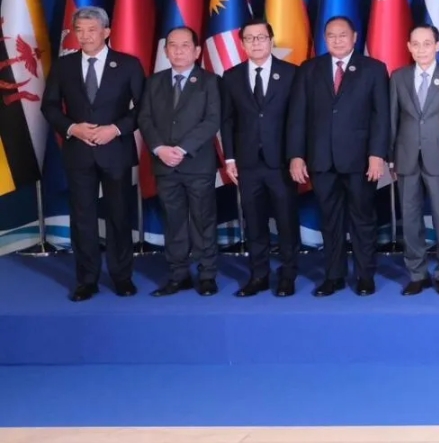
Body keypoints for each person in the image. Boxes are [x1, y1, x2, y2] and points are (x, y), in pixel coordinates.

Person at [41, 6, 145, 302]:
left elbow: (143, 107)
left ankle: (122, 277)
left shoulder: (128, 64)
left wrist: (116, 128)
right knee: (82, 218)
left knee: (119, 215)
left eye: (91, 30)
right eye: (79, 30)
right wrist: (72, 128)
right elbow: (49, 106)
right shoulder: (64, 66)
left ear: (106, 32)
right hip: (79, 153)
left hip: (116, 152)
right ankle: (86, 280)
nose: (85, 36)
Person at [287, 16, 389, 297]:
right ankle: (334, 276)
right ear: (324, 38)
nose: (337, 40)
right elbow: (298, 116)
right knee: (330, 221)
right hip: (321, 160)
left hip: (360, 161)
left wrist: (377, 154)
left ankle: (365, 275)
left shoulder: (374, 69)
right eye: (331, 35)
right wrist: (296, 155)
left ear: (354, 37)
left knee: (362, 220)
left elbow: (381, 116)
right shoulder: (309, 69)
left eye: (342, 35)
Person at [137, 26, 222, 297]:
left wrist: (183, 149)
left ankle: (207, 275)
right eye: (173, 45)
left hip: (197, 164)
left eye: (185, 45)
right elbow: (144, 119)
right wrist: (159, 148)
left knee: (202, 220)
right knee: (173, 221)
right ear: (165, 51)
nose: (178, 50)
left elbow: (212, 120)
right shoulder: (154, 82)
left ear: (197, 51)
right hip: (164, 164)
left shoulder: (210, 81)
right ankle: (178, 275)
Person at [220, 19, 300, 298]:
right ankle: (259, 275)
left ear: (271, 40)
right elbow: (227, 121)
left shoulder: (291, 73)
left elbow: (297, 120)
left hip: (282, 162)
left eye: (261, 37)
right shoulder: (231, 76)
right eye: (250, 38)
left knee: (286, 221)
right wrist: (230, 159)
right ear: (242, 44)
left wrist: (296, 156)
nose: (256, 43)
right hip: (247, 163)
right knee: (254, 222)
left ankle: (288, 275)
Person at [389, 25, 439, 296]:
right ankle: (417, 274)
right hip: (406, 157)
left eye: (427, 43)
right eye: (416, 44)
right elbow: (392, 119)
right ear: (409, 47)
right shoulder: (398, 77)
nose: (421, 49)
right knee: (410, 219)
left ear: (437, 46)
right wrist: (391, 158)